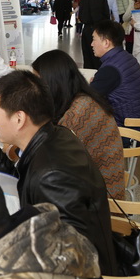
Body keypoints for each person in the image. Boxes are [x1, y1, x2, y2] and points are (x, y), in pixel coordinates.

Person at [0, 70, 118, 279]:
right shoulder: (54, 136)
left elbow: (68, 258)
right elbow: (23, 181)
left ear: (19, 118)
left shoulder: (52, 175)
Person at [32, 49, 125, 199]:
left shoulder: (77, 114)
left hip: (101, 198)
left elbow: (51, 161)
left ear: (52, 83)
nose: (34, 89)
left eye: (37, 82)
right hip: (92, 183)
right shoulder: (80, 98)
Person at [90, 20, 140, 128]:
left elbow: (87, 96)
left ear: (106, 43)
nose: (92, 44)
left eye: (94, 39)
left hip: (128, 130)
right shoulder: (126, 57)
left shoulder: (111, 68)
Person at [80, 0, 114, 69]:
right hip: (97, 31)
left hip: (87, 30)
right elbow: (97, 14)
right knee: (97, 62)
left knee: (89, 61)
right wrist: (103, 33)